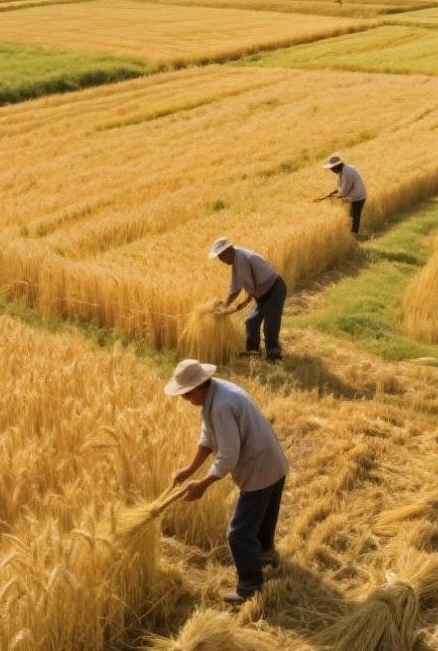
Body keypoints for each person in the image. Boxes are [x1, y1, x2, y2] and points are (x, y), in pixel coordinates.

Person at [166, 359, 289, 604]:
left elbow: (228, 456)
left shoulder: (221, 405)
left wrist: (202, 484)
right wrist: (190, 470)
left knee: (238, 533)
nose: (185, 400)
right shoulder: (216, 392)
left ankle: (250, 587)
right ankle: (265, 556)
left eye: (187, 394)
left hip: (260, 468)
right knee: (262, 519)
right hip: (273, 462)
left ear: (200, 386)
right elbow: (208, 437)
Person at [208, 237, 286, 361]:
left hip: (274, 290)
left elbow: (237, 289)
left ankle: (274, 354)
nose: (221, 260)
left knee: (270, 325)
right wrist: (226, 305)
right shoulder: (236, 260)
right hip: (262, 295)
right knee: (251, 321)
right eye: (219, 258)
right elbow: (234, 287)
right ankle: (253, 352)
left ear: (229, 249)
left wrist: (225, 306)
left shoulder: (241, 258)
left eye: (222, 256)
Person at [321, 153, 367, 235]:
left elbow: (344, 190)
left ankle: (354, 236)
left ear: (336, 167)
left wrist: (335, 196)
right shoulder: (343, 171)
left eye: (332, 168)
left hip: (358, 197)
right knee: (352, 217)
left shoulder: (346, 173)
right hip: (355, 195)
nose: (331, 170)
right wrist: (332, 193)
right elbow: (340, 187)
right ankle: (354, 235)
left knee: (354, 218)